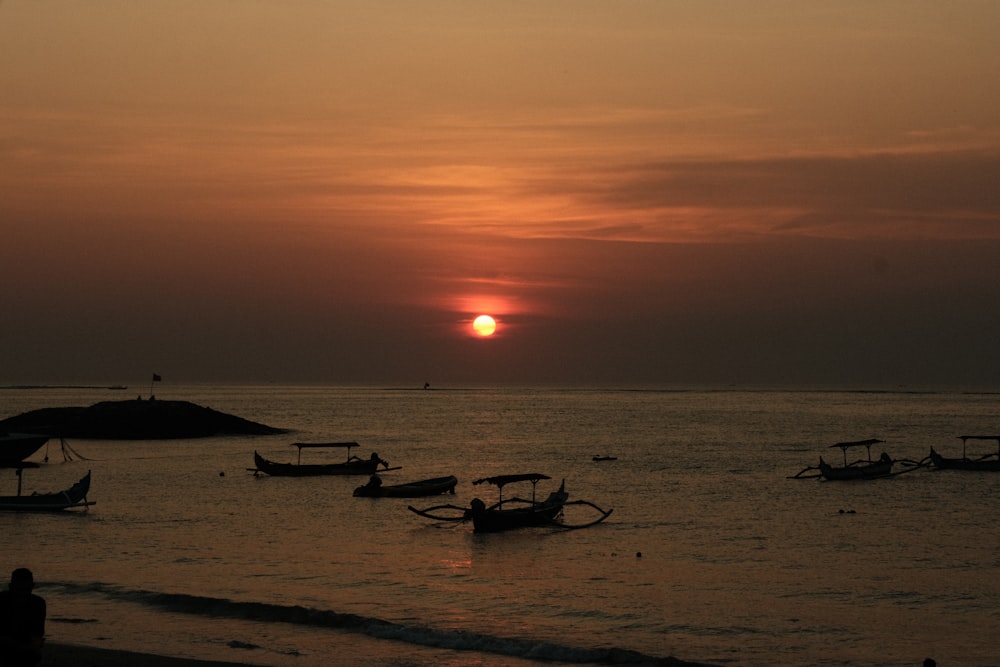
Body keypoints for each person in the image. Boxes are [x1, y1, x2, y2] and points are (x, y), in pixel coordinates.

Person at [0, 568, 46, 666]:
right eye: (19, 590)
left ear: (32, 587)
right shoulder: (1, 601)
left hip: (24, 644)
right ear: (10, 587)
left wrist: (35, 644)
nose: (22, 594)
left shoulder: (38, 603)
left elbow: (38, 632)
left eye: (26, 590)